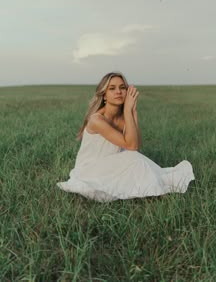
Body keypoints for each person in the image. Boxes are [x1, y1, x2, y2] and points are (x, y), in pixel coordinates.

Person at [57, 72, 195, 202]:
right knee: (132, 157)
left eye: (122, 88)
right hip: (89, 170)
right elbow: (132, 146)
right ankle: (159, 192)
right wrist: (128, 110)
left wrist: (133, 111)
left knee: (134, 157)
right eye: (112, 88)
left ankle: (157, 187)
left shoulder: (124, 116)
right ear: (104, 95)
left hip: (110, 164)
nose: (118, 91)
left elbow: (137, 144)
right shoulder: (97, 120)